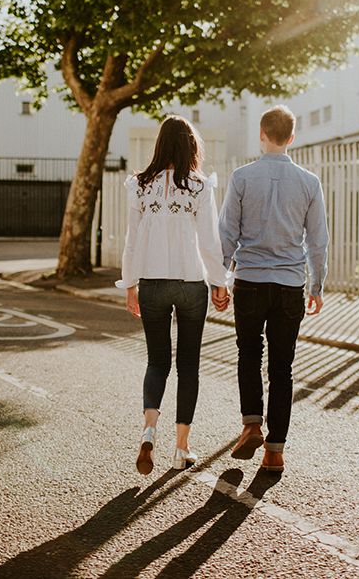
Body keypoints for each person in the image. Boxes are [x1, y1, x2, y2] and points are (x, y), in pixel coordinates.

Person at [116, 115, 230, 475]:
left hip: (152, 282)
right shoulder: (199, 185)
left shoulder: (140, 185)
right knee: (189, 366)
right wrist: (220, 282)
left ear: (160, 145)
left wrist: (130, 284)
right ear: (190, 146)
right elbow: (210, 241)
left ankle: (149, 429)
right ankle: (181, 448)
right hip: (190, 281)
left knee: (157, 362)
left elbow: (131, 241)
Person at [219, 104, 328, 473]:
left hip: (249, 280)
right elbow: (318, 240)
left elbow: (227, 234)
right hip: (289, 285)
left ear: (262, 135)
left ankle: (252, 423)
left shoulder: (242, 177)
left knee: (249, 354)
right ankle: (275, 452)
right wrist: (317, 285)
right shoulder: (310, 182)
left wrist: (220, 278)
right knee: (282, 367)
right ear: (292, 138)